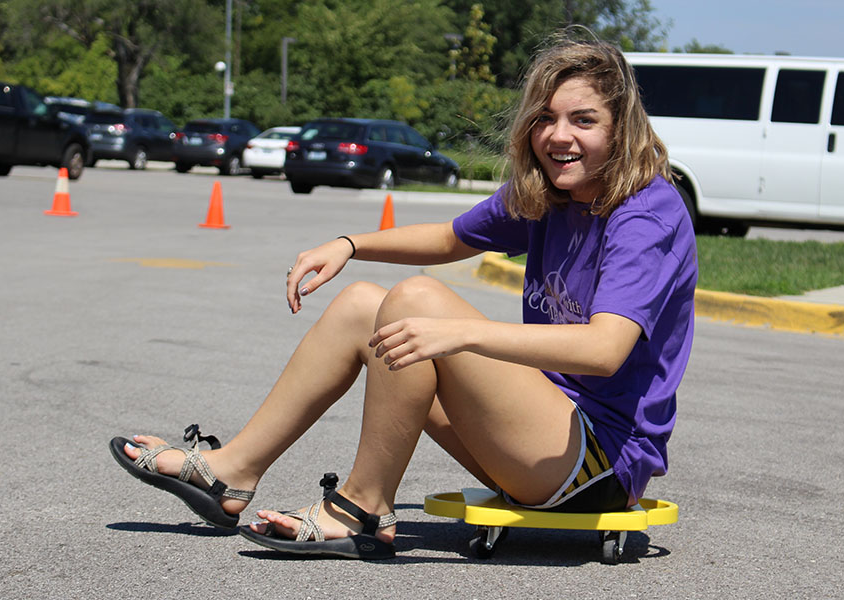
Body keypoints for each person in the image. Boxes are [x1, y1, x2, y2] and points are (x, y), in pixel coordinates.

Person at [109, 32, 697, 561]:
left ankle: (361, 506)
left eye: (583, 120)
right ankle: (230, 471)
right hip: (537, 436)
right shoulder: (553, 195)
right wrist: (349, 243)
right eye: (544, 118)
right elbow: (450, 237)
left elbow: (604, 349)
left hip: (600, 463)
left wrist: (462, 333)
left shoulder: (646, 212)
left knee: (420, 302)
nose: (558, 136)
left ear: (621, 127)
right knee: (364, 302)